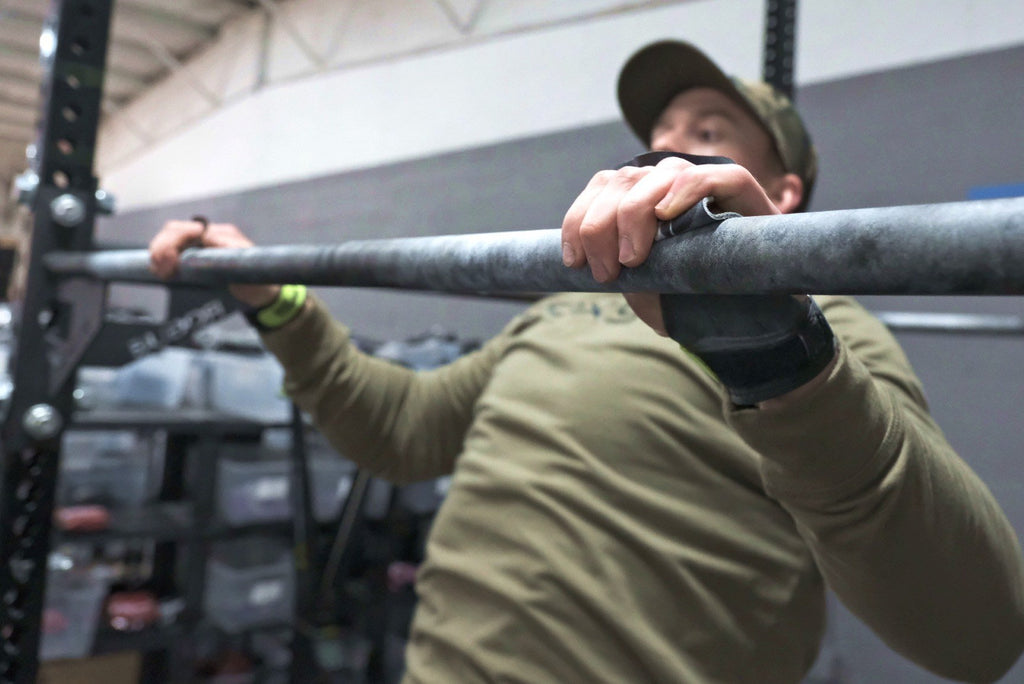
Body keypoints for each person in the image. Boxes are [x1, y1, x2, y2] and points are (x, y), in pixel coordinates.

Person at [150, 40, 1024, 683]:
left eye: (708, 130)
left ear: (786, 191)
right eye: (658, 130)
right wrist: (280, 301)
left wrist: (776, 350)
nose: (667, 144)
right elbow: (403, 433)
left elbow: (977, 637)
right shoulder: (564, 308)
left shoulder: (830, 338)